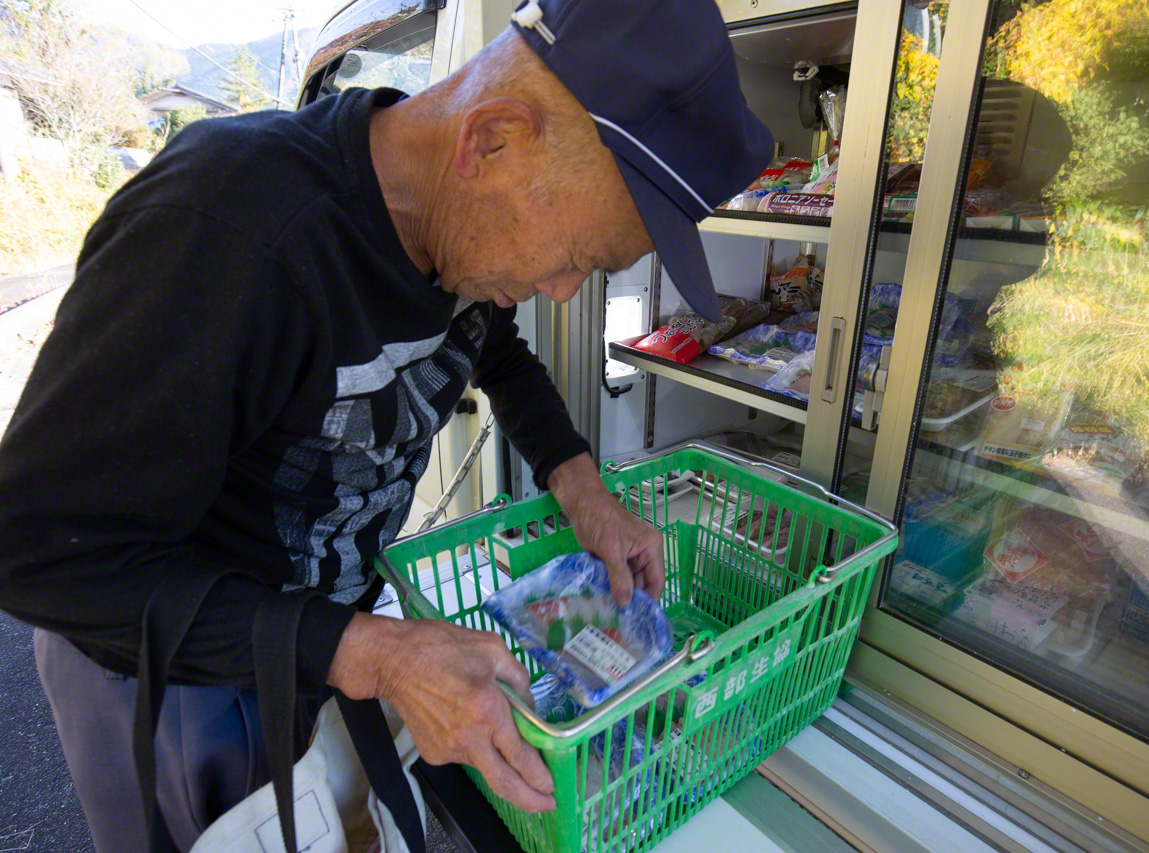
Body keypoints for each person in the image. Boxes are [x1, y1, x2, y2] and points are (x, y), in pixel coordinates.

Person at [0, 0, 771, 849]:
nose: (561, 291)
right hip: (174, 668)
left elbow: (494, 347)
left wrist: (585, 491)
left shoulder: (460, 236)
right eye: (577, 258)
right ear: (492, 140)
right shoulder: (223, 226)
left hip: (324, 635)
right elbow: (35, 550)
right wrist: (375, 654)